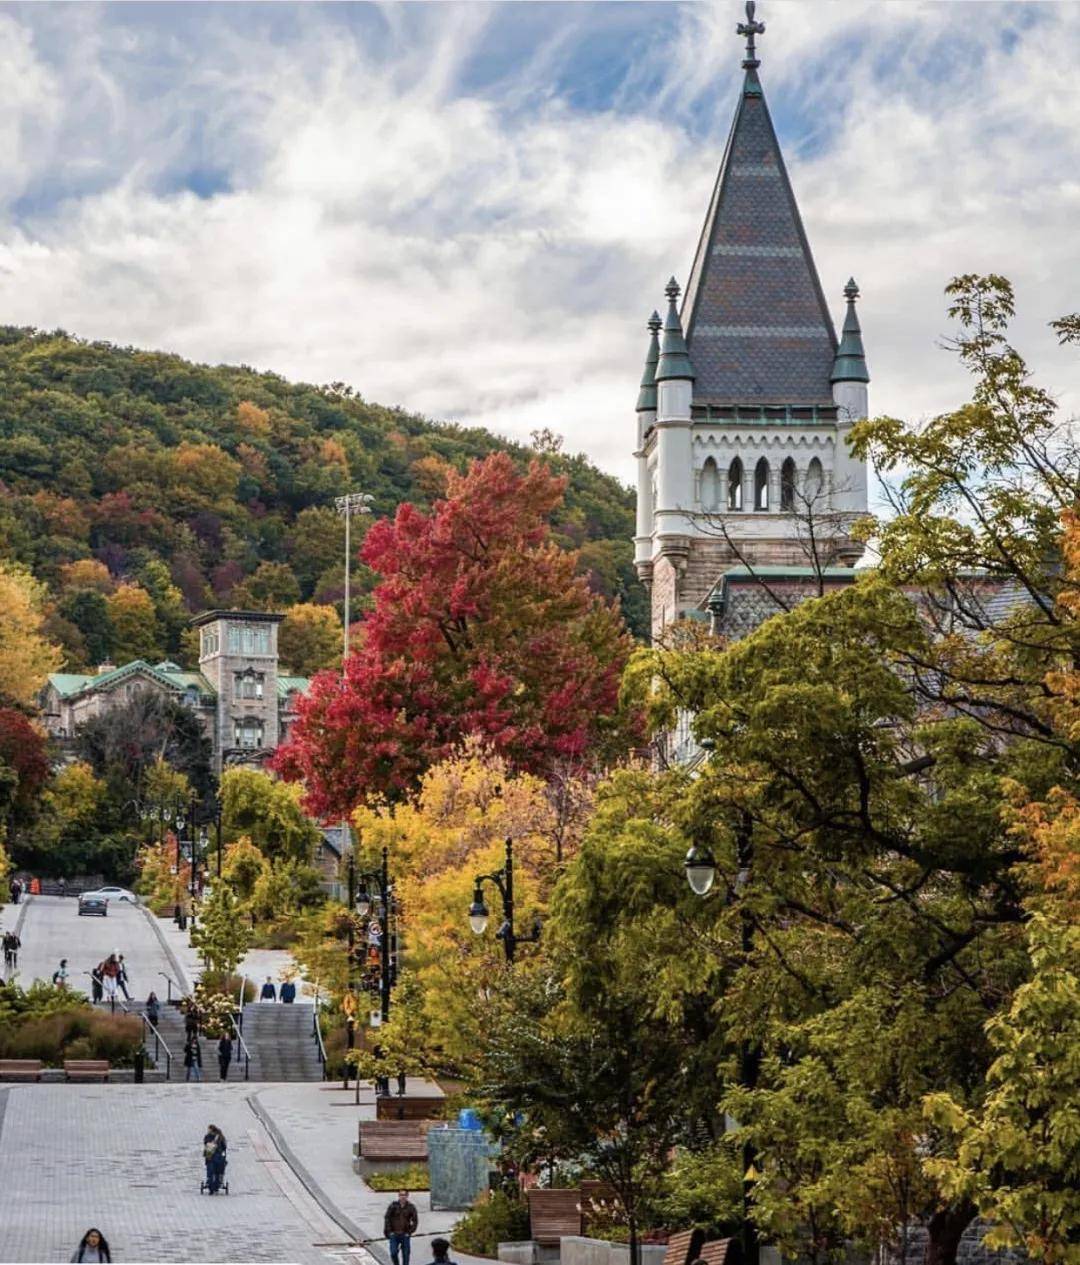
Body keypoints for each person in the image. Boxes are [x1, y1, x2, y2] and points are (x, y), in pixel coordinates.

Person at [384, 1189, 419, 1265]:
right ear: (398, 1196)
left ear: (407, 1196)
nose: (402, 1197)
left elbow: (415, 1221)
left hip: (405, 1234)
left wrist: (410, 1232)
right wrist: (389, 1232)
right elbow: (387, 1218)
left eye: (404, 1195)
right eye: (401, 1195)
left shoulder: (411, 1207)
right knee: (393, 1253)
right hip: (394, 1234)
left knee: (406, 1255)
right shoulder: (393, 1206)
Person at [203, 1124, 228, 1194]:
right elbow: (224, 1147)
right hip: (218, 1157)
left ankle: (210, 1183)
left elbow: (205, 1144)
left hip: (210, 1156)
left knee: (210, 1170)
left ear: (211, 1130)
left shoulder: (207, 1137)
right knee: (218, 1171)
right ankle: (217, 1185)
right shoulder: (220, 1136)